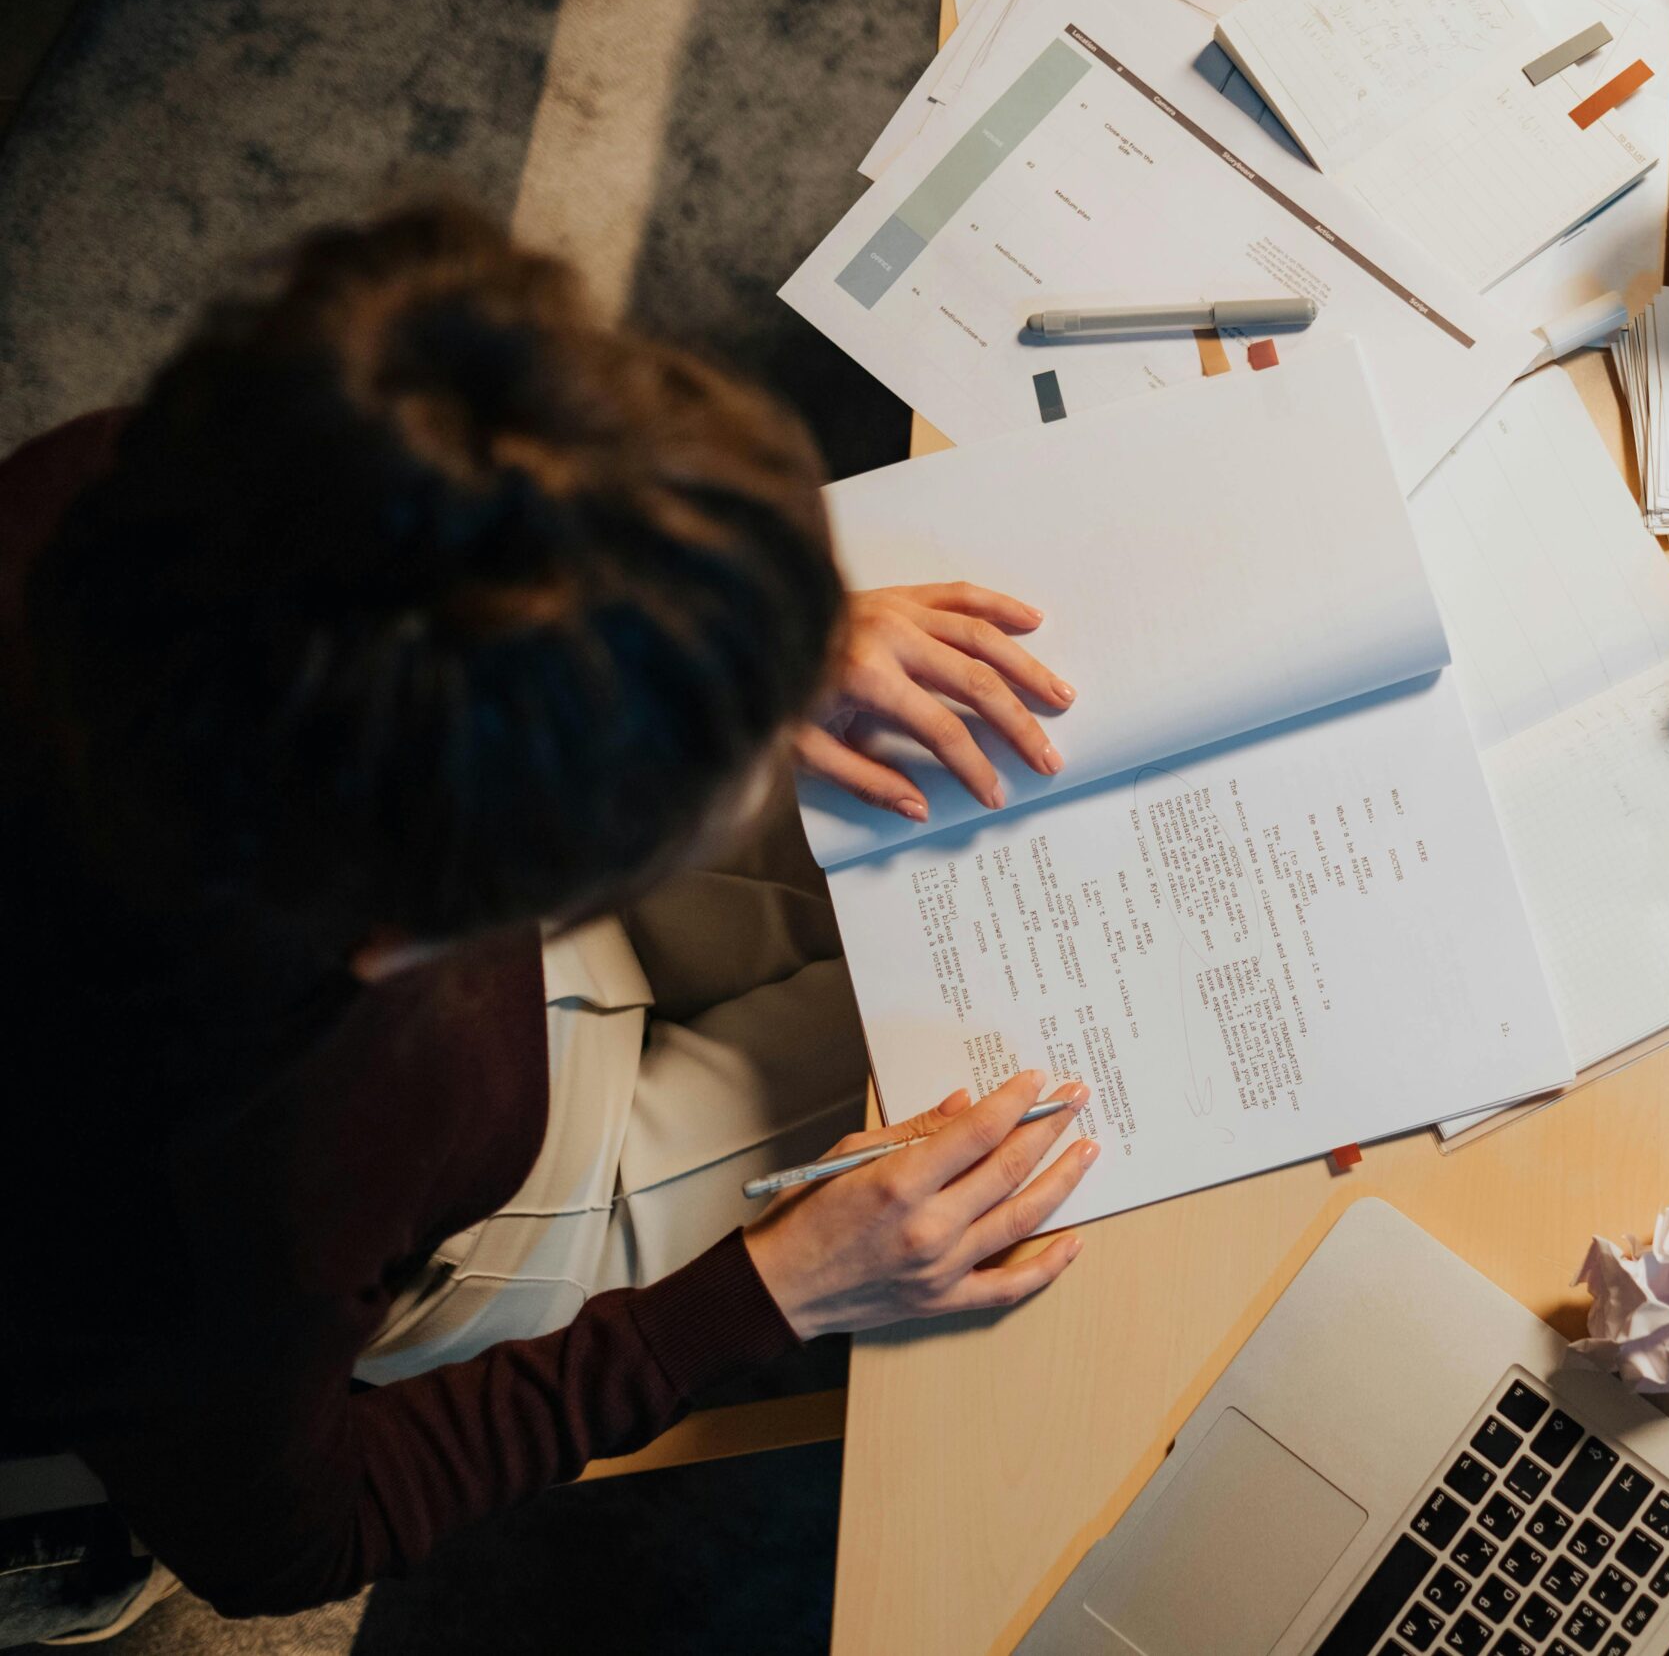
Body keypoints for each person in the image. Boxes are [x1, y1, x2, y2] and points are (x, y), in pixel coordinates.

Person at [0, 202, 1094, 1635]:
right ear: (457, 919)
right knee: (1008, 1046)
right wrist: (767, 1295)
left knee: (944, 875)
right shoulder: (214, 1205)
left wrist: (749, 609)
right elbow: (287, 1544)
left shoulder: (139, 492)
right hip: (414, 1219)